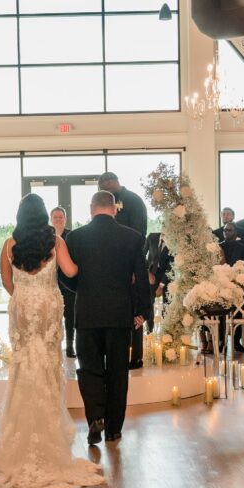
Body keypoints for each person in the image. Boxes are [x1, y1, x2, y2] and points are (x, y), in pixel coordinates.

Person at [0, 194, 104, 488]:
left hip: (22, 305)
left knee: (24, 363)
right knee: (48, 363)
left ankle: (19, 434)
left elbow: (7, 282)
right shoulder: (55, 240)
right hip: (48, 304)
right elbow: (72, 272)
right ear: (43, 216)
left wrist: (24, 295)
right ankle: (49, 434)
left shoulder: (10, 243)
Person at [66, 189, 152, 445]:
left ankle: (95, 418)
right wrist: (142, 312)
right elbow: (141, 278)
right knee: (117, 372)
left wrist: (83, 290)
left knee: (90, 369)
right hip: (119, 314)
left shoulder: (76, 237)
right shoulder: (133, 238)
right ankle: (114, 428)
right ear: (114, 209)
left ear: (92, 209)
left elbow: (67, 277)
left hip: (87, 314)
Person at [98, 171, 147, 369]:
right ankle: (116, 351)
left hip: (130, 262)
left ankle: (135, 355)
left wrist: (134, 267)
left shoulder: (133, 201)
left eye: (106, 188)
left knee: (134, 308)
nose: (105, 192)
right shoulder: (108, 203)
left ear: (114, 182)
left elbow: (139, 234)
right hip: (111, 263)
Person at [50, 206, 76, 356]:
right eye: (56, 217)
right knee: (53, 316)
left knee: (70, 317)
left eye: (61, 217)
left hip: (68, 284)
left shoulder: (72, 236)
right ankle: (54, 345)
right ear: (51, 219)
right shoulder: (45, 236)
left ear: (65, 219)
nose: (58, 220)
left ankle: (70, 346)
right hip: (50, 283)